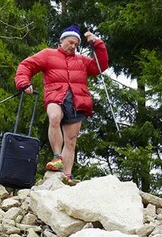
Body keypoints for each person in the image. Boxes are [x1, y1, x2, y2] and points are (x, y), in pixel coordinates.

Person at [14, 24, 109, 181]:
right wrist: (23, 82)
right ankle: (57, 157)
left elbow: (100, 66)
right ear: (62, 39)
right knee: (54, 117)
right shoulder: (48, 54)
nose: (73, 46)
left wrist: (97, 44)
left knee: (71, 141)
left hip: (78, 101)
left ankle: (66, 176)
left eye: (76, 44)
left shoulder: (83, 61)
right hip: (55, 96)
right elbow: (26, 65)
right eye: (70, 42)